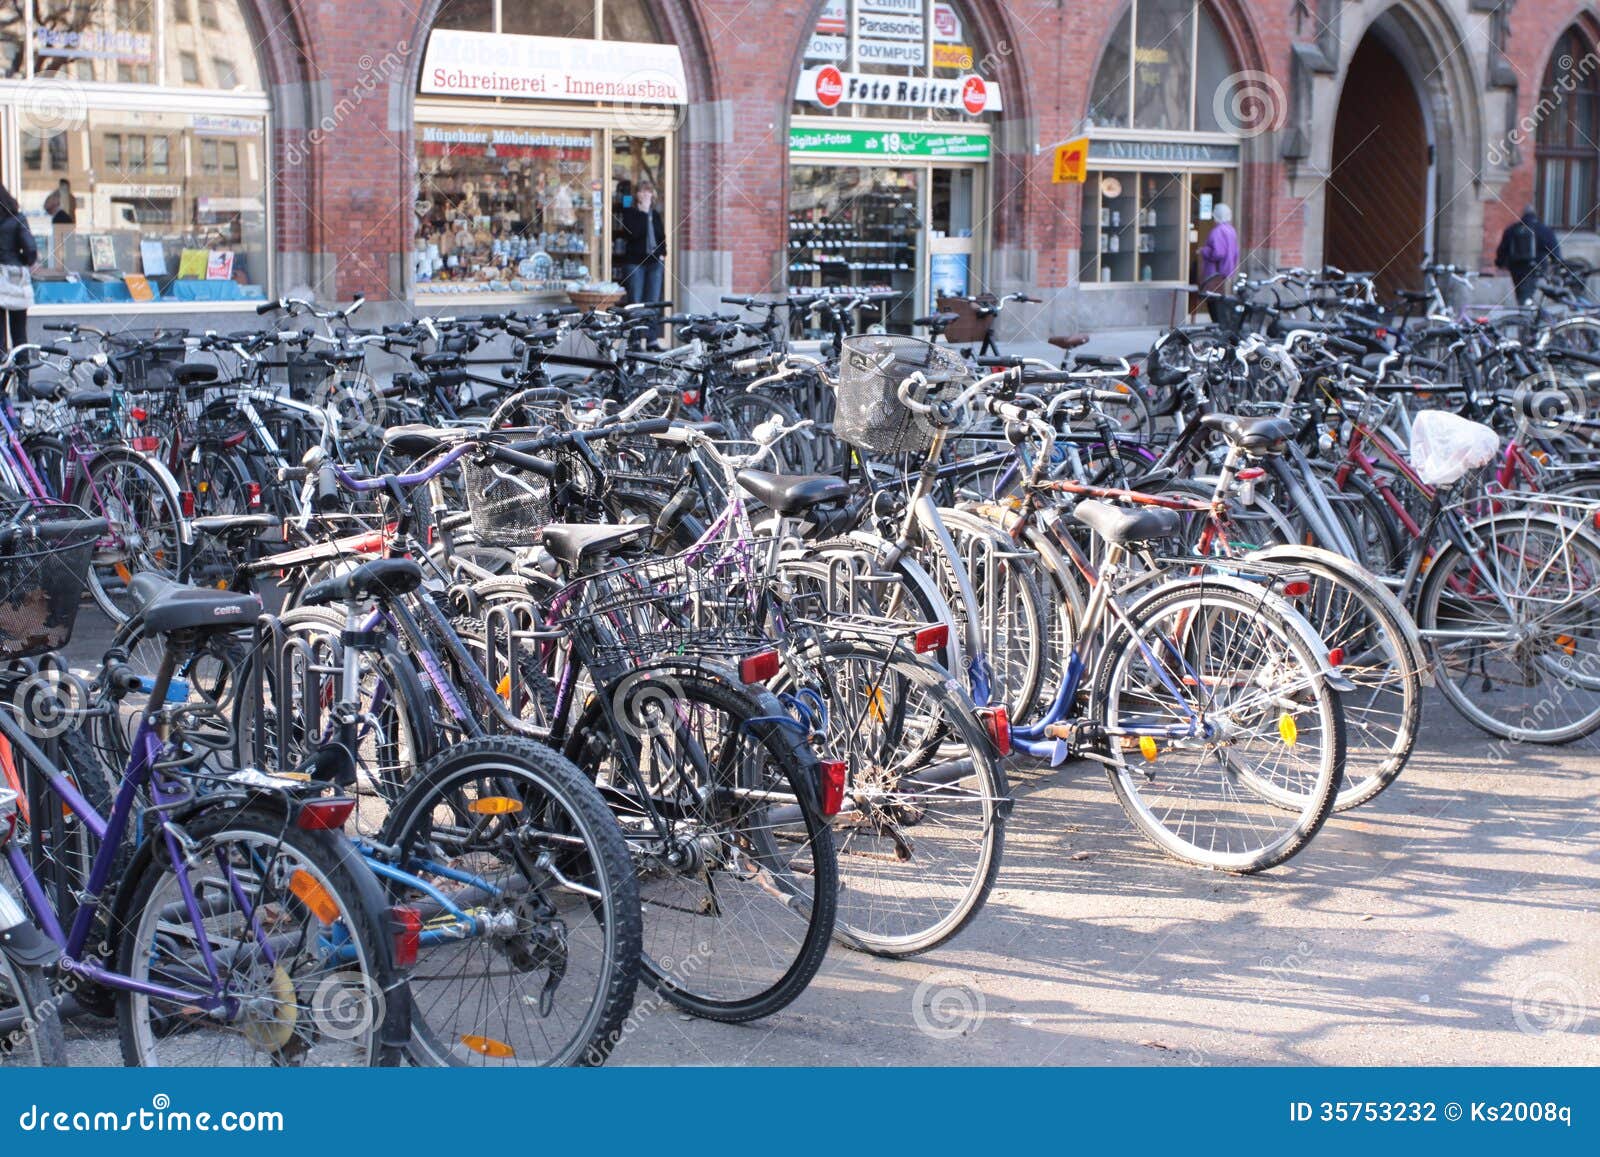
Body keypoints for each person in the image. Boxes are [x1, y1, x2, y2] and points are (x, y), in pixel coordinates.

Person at [617, 181, 667, 345]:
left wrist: (663, 254)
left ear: (652, 195)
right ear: (637, 195)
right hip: (635, 262)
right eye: (642, 192)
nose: (646, 195)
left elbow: (661, 237)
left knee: (652, 303)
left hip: (654, 263)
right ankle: (635, 340)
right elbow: (634, 234)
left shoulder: (656, 214)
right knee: (636, 302)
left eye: (649, 192)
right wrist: (644, 214)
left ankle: (652, 340)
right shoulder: (630, 213)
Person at [1495, 205, 1560, 305]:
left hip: (1516, 268)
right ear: (1535, 214)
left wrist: (1500, 263)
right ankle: (1526, 314)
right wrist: (1556, 263)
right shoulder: (1543, 230)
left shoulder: (1512, 229)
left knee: (1521, 292)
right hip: (1536, 267)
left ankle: (1525, 311)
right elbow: (1554, 251)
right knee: (1526, 294)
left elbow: (1502, 249)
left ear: (1523, 214)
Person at [0, 183, 37, 353]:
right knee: (19, 332)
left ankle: (2, 375)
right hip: (14, 277)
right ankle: (23, 376)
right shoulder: (17, 218)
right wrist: (22, 260)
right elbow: (31, 249)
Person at [1198, 202, 1240, 322]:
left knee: (1213, 301)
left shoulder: (1217, 231)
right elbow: (1235, 252)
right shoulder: (1231, 230)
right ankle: (1220, 326)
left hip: (1214, 273)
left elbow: (1218, 253)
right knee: (1219, 301)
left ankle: (1217, 327)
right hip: (1225, 272)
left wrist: (1204, 250)